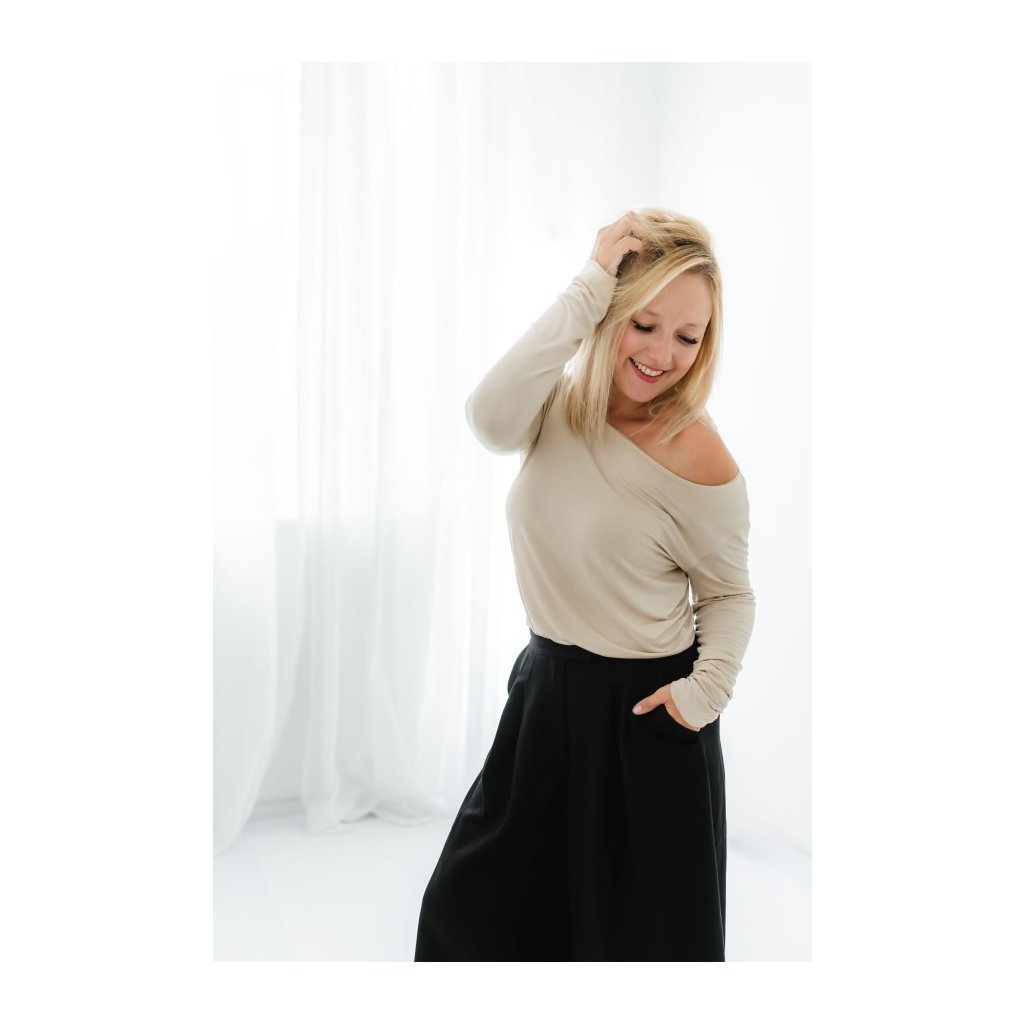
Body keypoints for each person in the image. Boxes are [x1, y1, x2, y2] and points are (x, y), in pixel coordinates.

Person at [414, 208, 756, 962]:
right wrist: (590, 282)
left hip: (647, 716)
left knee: (634, 945)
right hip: (544, 694)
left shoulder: (697, 453)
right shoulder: (557, 404)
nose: (663, 354)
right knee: (469, 918)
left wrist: (702, 697)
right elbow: (487, 418)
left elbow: (730, 594)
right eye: (645, 323)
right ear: (609, 310)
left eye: (688, 336)